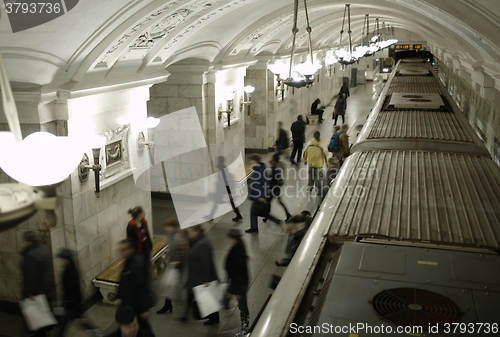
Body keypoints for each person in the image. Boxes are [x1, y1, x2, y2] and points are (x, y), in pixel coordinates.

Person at [56, 248, 102, 337]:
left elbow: (76, 293)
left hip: (71, 306)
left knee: (62, 326)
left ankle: (97, 332)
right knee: (77, 323)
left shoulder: (70, 274)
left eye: (61, 259)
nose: (60, 261)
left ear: (65, 259)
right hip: (70, 306)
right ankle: (97, 332)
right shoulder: (69, 270)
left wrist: (78, 311)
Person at [181, 225, 220, 325]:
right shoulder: (196, 240)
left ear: (197, 231)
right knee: (192, 294)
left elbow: (206, 263)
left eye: (191, 231)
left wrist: (205, 279)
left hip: (200, 277)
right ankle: (185, 315)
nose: (189, 233)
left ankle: (214, 318)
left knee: (206, 298)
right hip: (195, 275)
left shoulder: (203, 244)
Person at [20, 231, 55, 337]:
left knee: (36, 317)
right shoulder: (44, 248)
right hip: (47, 287)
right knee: (42, 313)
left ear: (27, 241)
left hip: (36, 292)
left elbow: (30, 278)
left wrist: (29, 294)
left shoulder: (30, 256)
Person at [117, 239, 154, 333]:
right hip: (130, 303)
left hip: (135, 305)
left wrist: (143, 309)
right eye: (120, 250)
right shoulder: (129, 261)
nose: (121, 253)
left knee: (143, 327)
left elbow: (141, 286)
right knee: (137, 326)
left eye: (123, 250)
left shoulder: (135, 265)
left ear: (131, 249)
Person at [223, 229, 250, 337]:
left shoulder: (237, 252)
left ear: (233, 239)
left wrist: (236, 290)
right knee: (226, 301)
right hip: (236, 282)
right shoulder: (237, 248)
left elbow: (238, 272)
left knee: (242, 305)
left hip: (238, 284)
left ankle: (245, 328)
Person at [157, 219, 187, 315]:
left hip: (177, 265)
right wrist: (169, 251)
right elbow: (173, 247)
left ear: (173, 227)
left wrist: (177, 262)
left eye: (167, 227)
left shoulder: (179, 237)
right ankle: (168, 305)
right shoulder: (172, 235)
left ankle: (182, 307)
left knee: (174, 286)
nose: (165, 229)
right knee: (171, 285)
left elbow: (184, 252)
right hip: (173, 263)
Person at [246, 155, 281, 233]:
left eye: (252, 162)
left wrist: (262, 195)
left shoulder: (261, 170)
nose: (251, 163)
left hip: (259, 195)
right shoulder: (257, 169)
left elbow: (266, 183)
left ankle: (276, 221)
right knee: (255, 211)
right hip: (256, 194)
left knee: (260, 211)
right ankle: (254, 227)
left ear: (256, 162)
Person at [206, 156, 243, 222]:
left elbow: (222, 181)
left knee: (220, 202)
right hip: (224, 189)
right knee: (229, 202)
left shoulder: (222, 169)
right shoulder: (223, 167)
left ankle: (211, 216)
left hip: (222, 190)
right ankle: (238, 214)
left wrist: (224, 192)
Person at [265, 153, 291, 222]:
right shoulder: (278, 165)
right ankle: (288, 214)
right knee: (278, 201)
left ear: (274, 160)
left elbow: (275, 179)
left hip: (275, 188)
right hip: (277, 187)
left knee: (268, 201)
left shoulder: (275, 168)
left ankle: (267, 216)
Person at [126, 206, 153, 274]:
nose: (145, 213)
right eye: (143, 212)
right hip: (138, 252)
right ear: (139, 214)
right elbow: (130, 241)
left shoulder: (143, 222)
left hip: (146, 249)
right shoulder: (131, 226)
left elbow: (147, 234)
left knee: (146, 268)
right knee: (139, 270)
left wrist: (150, 245)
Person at [303, 131, 328, 195]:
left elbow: (304, 152)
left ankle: (310, 188)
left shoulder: (309, 143)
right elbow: (325, 154)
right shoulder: (321, 144)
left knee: (311, 176)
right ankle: (318, 191)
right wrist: (326, 162)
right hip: (318, 164)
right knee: (318, 178)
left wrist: (305, 160)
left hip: (310, 163)